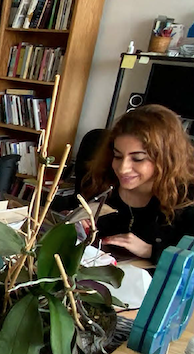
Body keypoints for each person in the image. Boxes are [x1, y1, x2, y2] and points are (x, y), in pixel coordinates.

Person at [82, 104, 194, 262]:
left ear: (165, 158)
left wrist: (151, 251)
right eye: (118, 156)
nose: (122, 168)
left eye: (138, 159)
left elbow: (189, 265)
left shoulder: (187, 200)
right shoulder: (103, 182)